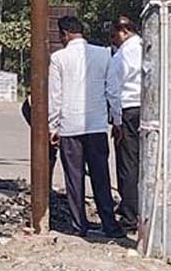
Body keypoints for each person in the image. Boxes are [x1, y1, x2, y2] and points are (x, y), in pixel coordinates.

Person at [48, 14, 122, 238]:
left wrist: (53, 126)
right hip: (97, 125)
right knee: (101, 177)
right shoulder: (104, 54)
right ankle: (109, 224)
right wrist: (117, 121)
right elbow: (113, 92)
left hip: (70, 126)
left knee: (74, 178)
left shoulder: (58, 58)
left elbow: (55, 95)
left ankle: (80, 226)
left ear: (65, 34)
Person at [105, 15, 143, 232]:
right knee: (145, 163)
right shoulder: (147, 47)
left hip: (128, 111)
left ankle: (129, 216)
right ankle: (141, 209)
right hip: (147, 110)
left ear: (123, 32)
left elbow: (113, 90)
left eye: (113, 35)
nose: (113, 40)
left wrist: (116, 122)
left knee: (128, 164)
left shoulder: (122, 55)